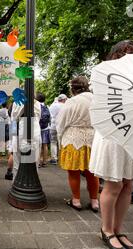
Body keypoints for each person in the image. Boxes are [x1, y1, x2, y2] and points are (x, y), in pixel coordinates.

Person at [89, 40, 133, 249]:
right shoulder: (106, 77)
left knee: (128, 184)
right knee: (114, 184)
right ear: (125, 53)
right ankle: (107, 230)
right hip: (114, 134)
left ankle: (119, 229)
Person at [56, 76, 100, 212]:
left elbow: (61, 123)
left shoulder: (71, 102)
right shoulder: (97, 100)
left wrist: (60, 139)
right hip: (93, 138)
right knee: (92, 172)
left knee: (73, 171)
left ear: (73, 88)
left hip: (73, 138)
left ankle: (76, 200)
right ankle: (94, 201)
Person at [49, 94, 67, 165]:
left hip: (53, 126)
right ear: (64, 99)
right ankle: (62, 158)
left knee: (53, 142)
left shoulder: (52, 105)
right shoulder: (65, 106)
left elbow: (49, 115)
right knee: (61, 142)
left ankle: (54, 159)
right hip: (61, 126)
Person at [36, 93, 51, 167]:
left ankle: (38, 162)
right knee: (45, 146)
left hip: (38, 128)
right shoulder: (47, 106)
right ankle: (44, 162)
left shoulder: (36, 105)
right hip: (45, 128)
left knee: (38, 145)